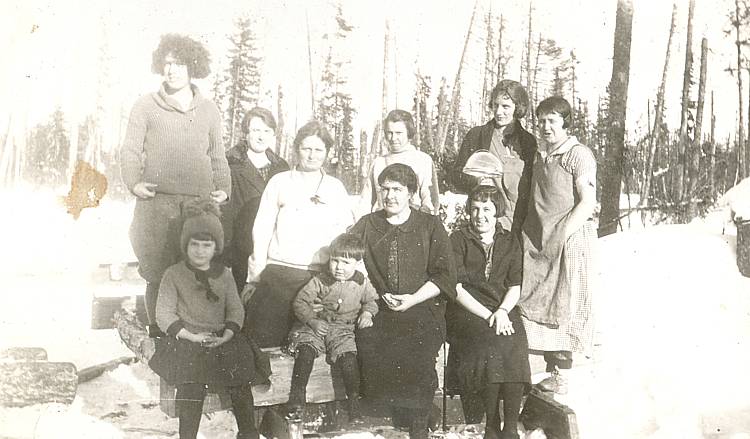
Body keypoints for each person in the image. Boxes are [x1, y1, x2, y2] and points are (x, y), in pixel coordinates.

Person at [120, 33, 230, 338]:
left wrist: (223, 187)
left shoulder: (208, 109)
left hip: (197, 204)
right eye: (167, 64)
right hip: (157, 204)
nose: (172, 70)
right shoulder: (145, 105)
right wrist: (133, 183)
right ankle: (160, 336)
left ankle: (194, 335)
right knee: (157, 272)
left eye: (179, 64)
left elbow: (217, 154)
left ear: (192, 66)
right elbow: (130, 149)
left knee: (196, 270)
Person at [350, 163, 457, 439]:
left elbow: (445, 275)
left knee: (418, 349)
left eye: (397, 190)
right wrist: (372, 291)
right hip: (380, 308)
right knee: (371, 340)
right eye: (384, 189)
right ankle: (395, 416)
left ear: (411, 193)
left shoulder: (429, 225)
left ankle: (419, 421)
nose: (390, 196)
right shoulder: (368, 224)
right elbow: (348, 256)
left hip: (422, 307)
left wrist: (412, 299)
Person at [148, 199, 265, 439]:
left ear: (216, 247)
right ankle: (188, 436)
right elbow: (164, 313)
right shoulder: (174, 274)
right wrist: (191, 336)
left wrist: (227, 335)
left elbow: (235, 310)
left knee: (240, 376)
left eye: (206, 245)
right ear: (186, 245)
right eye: (195, 245)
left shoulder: (224, 275)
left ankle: (248, 433)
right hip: (187, 338)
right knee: (191, 383)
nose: (200, 251)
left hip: (220, 338)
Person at [244, 120, 354, 348]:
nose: (312, 155)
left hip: (321, 278)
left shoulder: (334, 188)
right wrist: (255, 275)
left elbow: (346, 235)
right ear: (296, 149)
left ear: (327, 152)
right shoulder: (280, 182)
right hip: (279, 275)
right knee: (264, 342)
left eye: (318, 150)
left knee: (314, 345)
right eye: (306, 149)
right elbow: (262, 229)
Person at [518, 96, 597, 395]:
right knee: (536, 297)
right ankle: (541, 371)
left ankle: (561, 375)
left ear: (566, 123)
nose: (545, 126)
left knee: (565, 300)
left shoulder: (578, 155)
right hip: (540, 238)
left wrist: (562, 234)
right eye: (541, 121)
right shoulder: (541, 155)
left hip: (569, 240)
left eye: (552, 120)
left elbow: (587, 202)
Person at [446, 185, 530, 439]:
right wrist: (488, 315)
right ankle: (492, 425)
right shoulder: (458, 240)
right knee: (489, 344)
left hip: (503, 307)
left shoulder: (509, 241)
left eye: (486, 209)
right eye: (475, 209)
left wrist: (503, 310)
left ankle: (511, 427)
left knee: (515, 342)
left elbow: (515, 285)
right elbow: (457, 288)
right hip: (468, 310)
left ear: (497, 214)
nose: (480, 215)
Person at [285, 233, 379, 423]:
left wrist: (367, 313)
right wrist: (312, 320)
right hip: (317, 325)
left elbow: (372, 301)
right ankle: (297, 400)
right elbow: (300, 302)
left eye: (345, 263)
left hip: (343, 330)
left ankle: (354, 403)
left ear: (357, 263)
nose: (339, 268)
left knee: (349, 359)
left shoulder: (361, 282)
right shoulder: (321, 280)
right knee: (305, 353)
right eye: (335, 261)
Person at [453, 80, 537, 233]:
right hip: (486, 223)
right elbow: (456, 176)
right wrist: (476, 179)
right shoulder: (477, 136)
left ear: (517, 108)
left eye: (505, 106)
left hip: (519, 225)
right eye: (495, 105)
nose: (498, 112)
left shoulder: (528, 142)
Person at [221, 107, 289, 291]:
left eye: (267, 131)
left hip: (272, 245)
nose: (261, 136)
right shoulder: (230, 163)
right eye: (256, 130)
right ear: (246, 132)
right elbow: (224, 210)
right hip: (241, 244)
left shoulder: (281, 166)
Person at [358, 109, 440, 217]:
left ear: (409, 133)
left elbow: (429, 200)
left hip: (412, 223)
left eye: (399, 133)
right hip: (381, 223)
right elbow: (367, 199)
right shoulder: (379, 162)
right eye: (389, 133)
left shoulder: (422, 160)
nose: (393, 138)